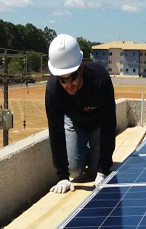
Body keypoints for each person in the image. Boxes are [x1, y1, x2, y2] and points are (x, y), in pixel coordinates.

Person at [45, 34, 116, 194]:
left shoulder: (100, 79)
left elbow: (109, 124)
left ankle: (94, 158)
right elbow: (55, 131)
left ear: (81, 68)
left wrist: (103, 169)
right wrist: (62, 176)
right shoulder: (53, 90)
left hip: (98, 124)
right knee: (75, 171)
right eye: (62, 80)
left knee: (94, 171)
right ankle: (85, 154)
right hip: (75, 123)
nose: (68, 84)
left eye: (73, 77)